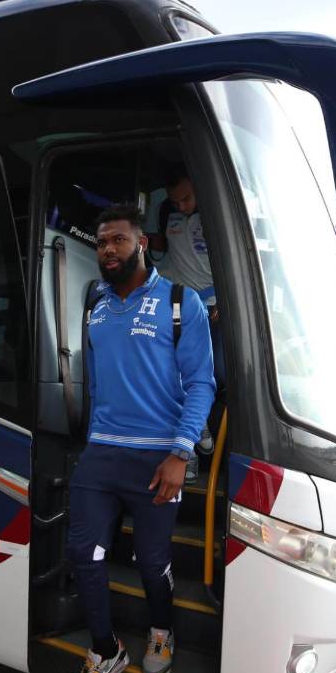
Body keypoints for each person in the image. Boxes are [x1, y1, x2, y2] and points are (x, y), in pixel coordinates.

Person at [66, 204, 214, 673]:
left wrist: (180, 451)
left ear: (142, 243)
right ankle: (105, 650)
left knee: (152, 564)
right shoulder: (95, 304)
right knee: (84, 555)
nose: (108, 249)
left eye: (119, 240)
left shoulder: (180, 301)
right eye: (102, 242)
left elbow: (201, 384)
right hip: (102, 452)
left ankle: (161, 631)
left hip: (157, 459)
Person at [150, 168, 222, 468]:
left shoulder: (217, 216)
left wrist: (225, 301)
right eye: (175, 201)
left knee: (204, 373)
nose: (181, 205)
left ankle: (196, 433)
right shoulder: (170, 214)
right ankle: (193, 437)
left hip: (211, 305)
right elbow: (162, 250)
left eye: (186, 198)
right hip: (177, 303)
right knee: (169, 369)